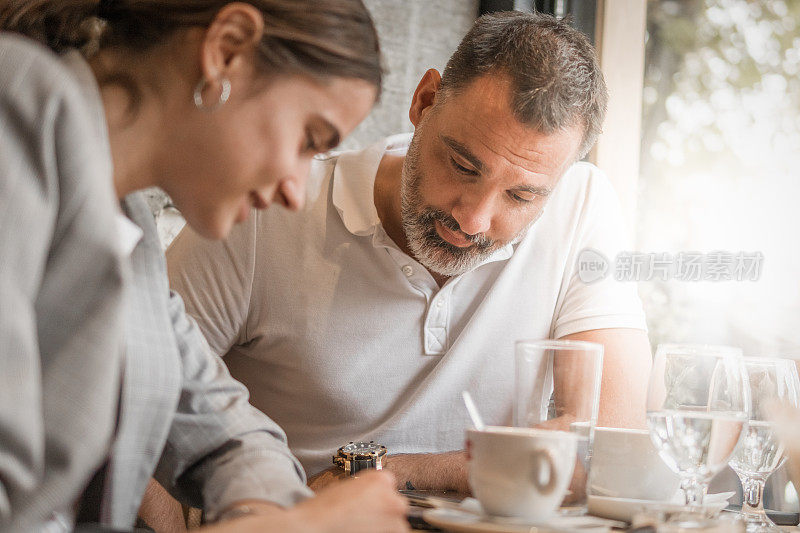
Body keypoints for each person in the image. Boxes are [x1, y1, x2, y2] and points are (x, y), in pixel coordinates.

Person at [166, 8, 654, 498]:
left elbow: (611, 454)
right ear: (424, 101)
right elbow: (131, 405)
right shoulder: (271, 205)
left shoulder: (581, 205)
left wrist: (388, 473)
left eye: (522, 197)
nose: (474, 220)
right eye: (463, 166)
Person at [0, 1, 409, 532]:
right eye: (309, 140)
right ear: (227, 49)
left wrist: (266, 513)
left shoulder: (131, 231)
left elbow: (230, 435)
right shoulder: (17, 102)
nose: (294, 190)